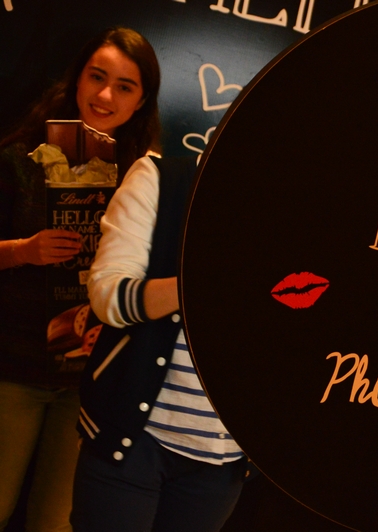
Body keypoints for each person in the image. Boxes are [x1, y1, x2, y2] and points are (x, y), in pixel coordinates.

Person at [0, 27, 161, 531]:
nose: (106, 95)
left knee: (54, 522)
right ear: (78, 81)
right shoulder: (20, 160)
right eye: (97, 77)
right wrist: (23, 251)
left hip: (90, 382)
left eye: (125, 86)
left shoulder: (145, 179)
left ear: (141, 101)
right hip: (11, 370)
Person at [69, 153, 249, 532]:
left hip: (224, 456)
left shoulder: (308, 206)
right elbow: (108, 294)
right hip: (133, 437)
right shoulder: (165, 177)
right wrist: (206, 280)